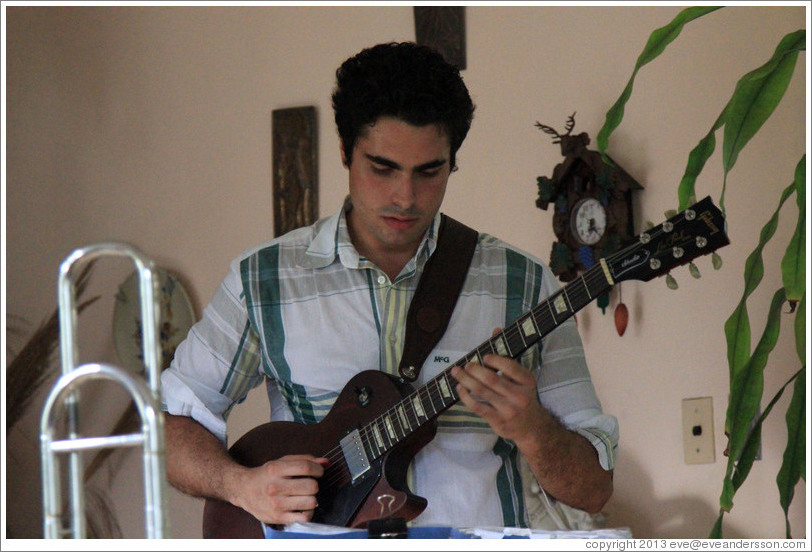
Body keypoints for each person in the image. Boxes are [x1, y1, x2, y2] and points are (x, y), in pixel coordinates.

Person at [161, 41, 618, 532]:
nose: (405, 196)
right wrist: (241, 486)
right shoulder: (262, 280)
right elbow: (172, 429)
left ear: (453, 162)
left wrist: (532, 429)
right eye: (382, 168)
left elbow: (594, 490)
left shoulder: (526, 285)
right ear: (344, 152)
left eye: (429, 172)